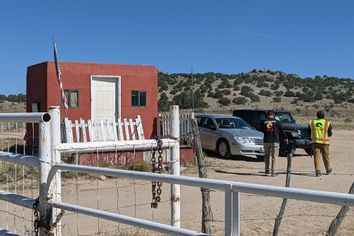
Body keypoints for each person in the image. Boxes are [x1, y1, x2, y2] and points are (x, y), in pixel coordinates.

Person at [262, 110, 288, 176]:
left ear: (268, 115)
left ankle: (267, 170)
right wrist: (285, 138)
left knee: (267, 156)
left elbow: (261, 130)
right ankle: (273, 172)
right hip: (274, 141)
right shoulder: (277, 122)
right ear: (274, 115)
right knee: (274, 157)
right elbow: (282, 131)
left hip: (266, 141)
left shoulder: (264, 122)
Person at [309, 110, 333, 177]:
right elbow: (330, 134)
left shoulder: (312, 122)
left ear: (317, 116)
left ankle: (318, 171)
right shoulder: (327, 123)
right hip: (325, 143)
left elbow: (308, 132)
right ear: (323, 116)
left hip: (315, 142)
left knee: (316, 157)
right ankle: (328, 169)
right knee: (326, 157)